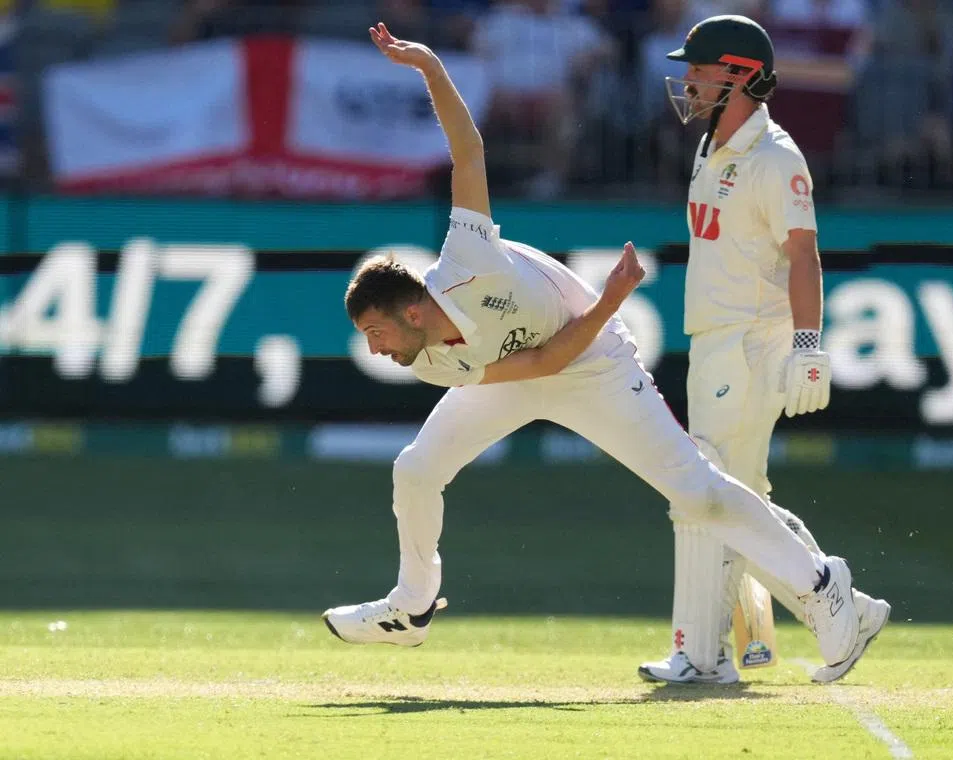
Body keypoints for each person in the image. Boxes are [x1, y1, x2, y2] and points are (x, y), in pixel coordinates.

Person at [321, 21, 862, 671]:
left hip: (595, 360)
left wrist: (432, 69)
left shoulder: (466, 257)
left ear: (412, 309)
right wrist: (607, 298)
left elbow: (468, 154)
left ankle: (827, 590)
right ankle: (410, 607)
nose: (376, 352)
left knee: (696, 491)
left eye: (378, 334)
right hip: (531, 365)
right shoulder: (429, 359)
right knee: (415, 469)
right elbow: (537, 366)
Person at [637, 15, 890, 687]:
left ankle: (717, 645)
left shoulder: (777, 158)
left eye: (698, 68)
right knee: (733, 493)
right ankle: (837, 608)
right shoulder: (713, 147)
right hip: (715, 340)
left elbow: (803, 255)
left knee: (705, 489)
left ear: (739, 75)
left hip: (752, 341)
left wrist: (808, 346)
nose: (686, 80)